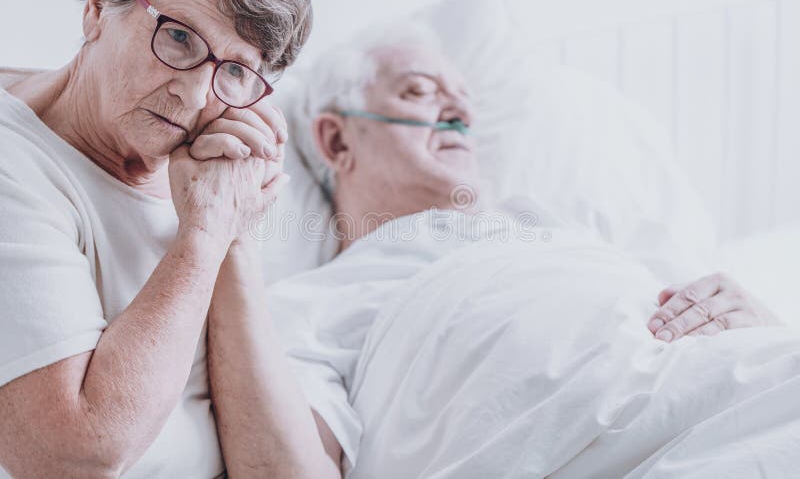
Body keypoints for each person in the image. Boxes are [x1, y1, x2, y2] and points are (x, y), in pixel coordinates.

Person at [268, 26, 791, 477]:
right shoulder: (315, 303)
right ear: (337, 142)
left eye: (465, 99)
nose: (458, 111)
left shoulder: (568, 230)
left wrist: (760, 323)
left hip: (749, 393)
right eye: (419, 91)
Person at [0, 0, 341, 477]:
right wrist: (203, 238)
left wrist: (229, 228)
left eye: (233, 69)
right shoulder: (16, 165)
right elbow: (73, 455)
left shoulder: (205, 170)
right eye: (179, 37)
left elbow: (287, 471)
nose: (196, 92)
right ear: (96, 9)